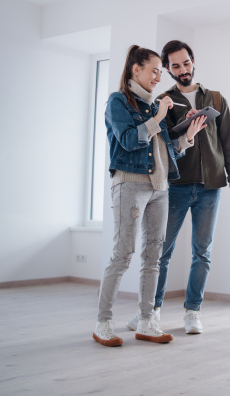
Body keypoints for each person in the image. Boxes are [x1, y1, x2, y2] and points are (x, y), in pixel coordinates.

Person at [93, 45, 208, 347]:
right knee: (123, 254)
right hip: (130, 184)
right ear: (136, 70)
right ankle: (103, 322)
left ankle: (147, 321)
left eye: (161, 71)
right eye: (155, 70)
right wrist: (159, 115)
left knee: (153, 256)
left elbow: (165, 151)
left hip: (160, 187)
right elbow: (130, 140)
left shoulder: (152, 106)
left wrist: (188, 137)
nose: (160, 76)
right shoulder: (118, 102)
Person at [126, 40, 230, 334]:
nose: (183, 70)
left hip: (210, 186)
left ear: (193, 62)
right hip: (175, 186)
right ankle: (149, 312)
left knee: (202, 252)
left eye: (186, 63)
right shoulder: (162, 101)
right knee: (161, 251)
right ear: (167, 69)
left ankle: (193, 312)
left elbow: (227, 141)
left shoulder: (216, 99)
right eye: (175, 66)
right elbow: (160, 143)